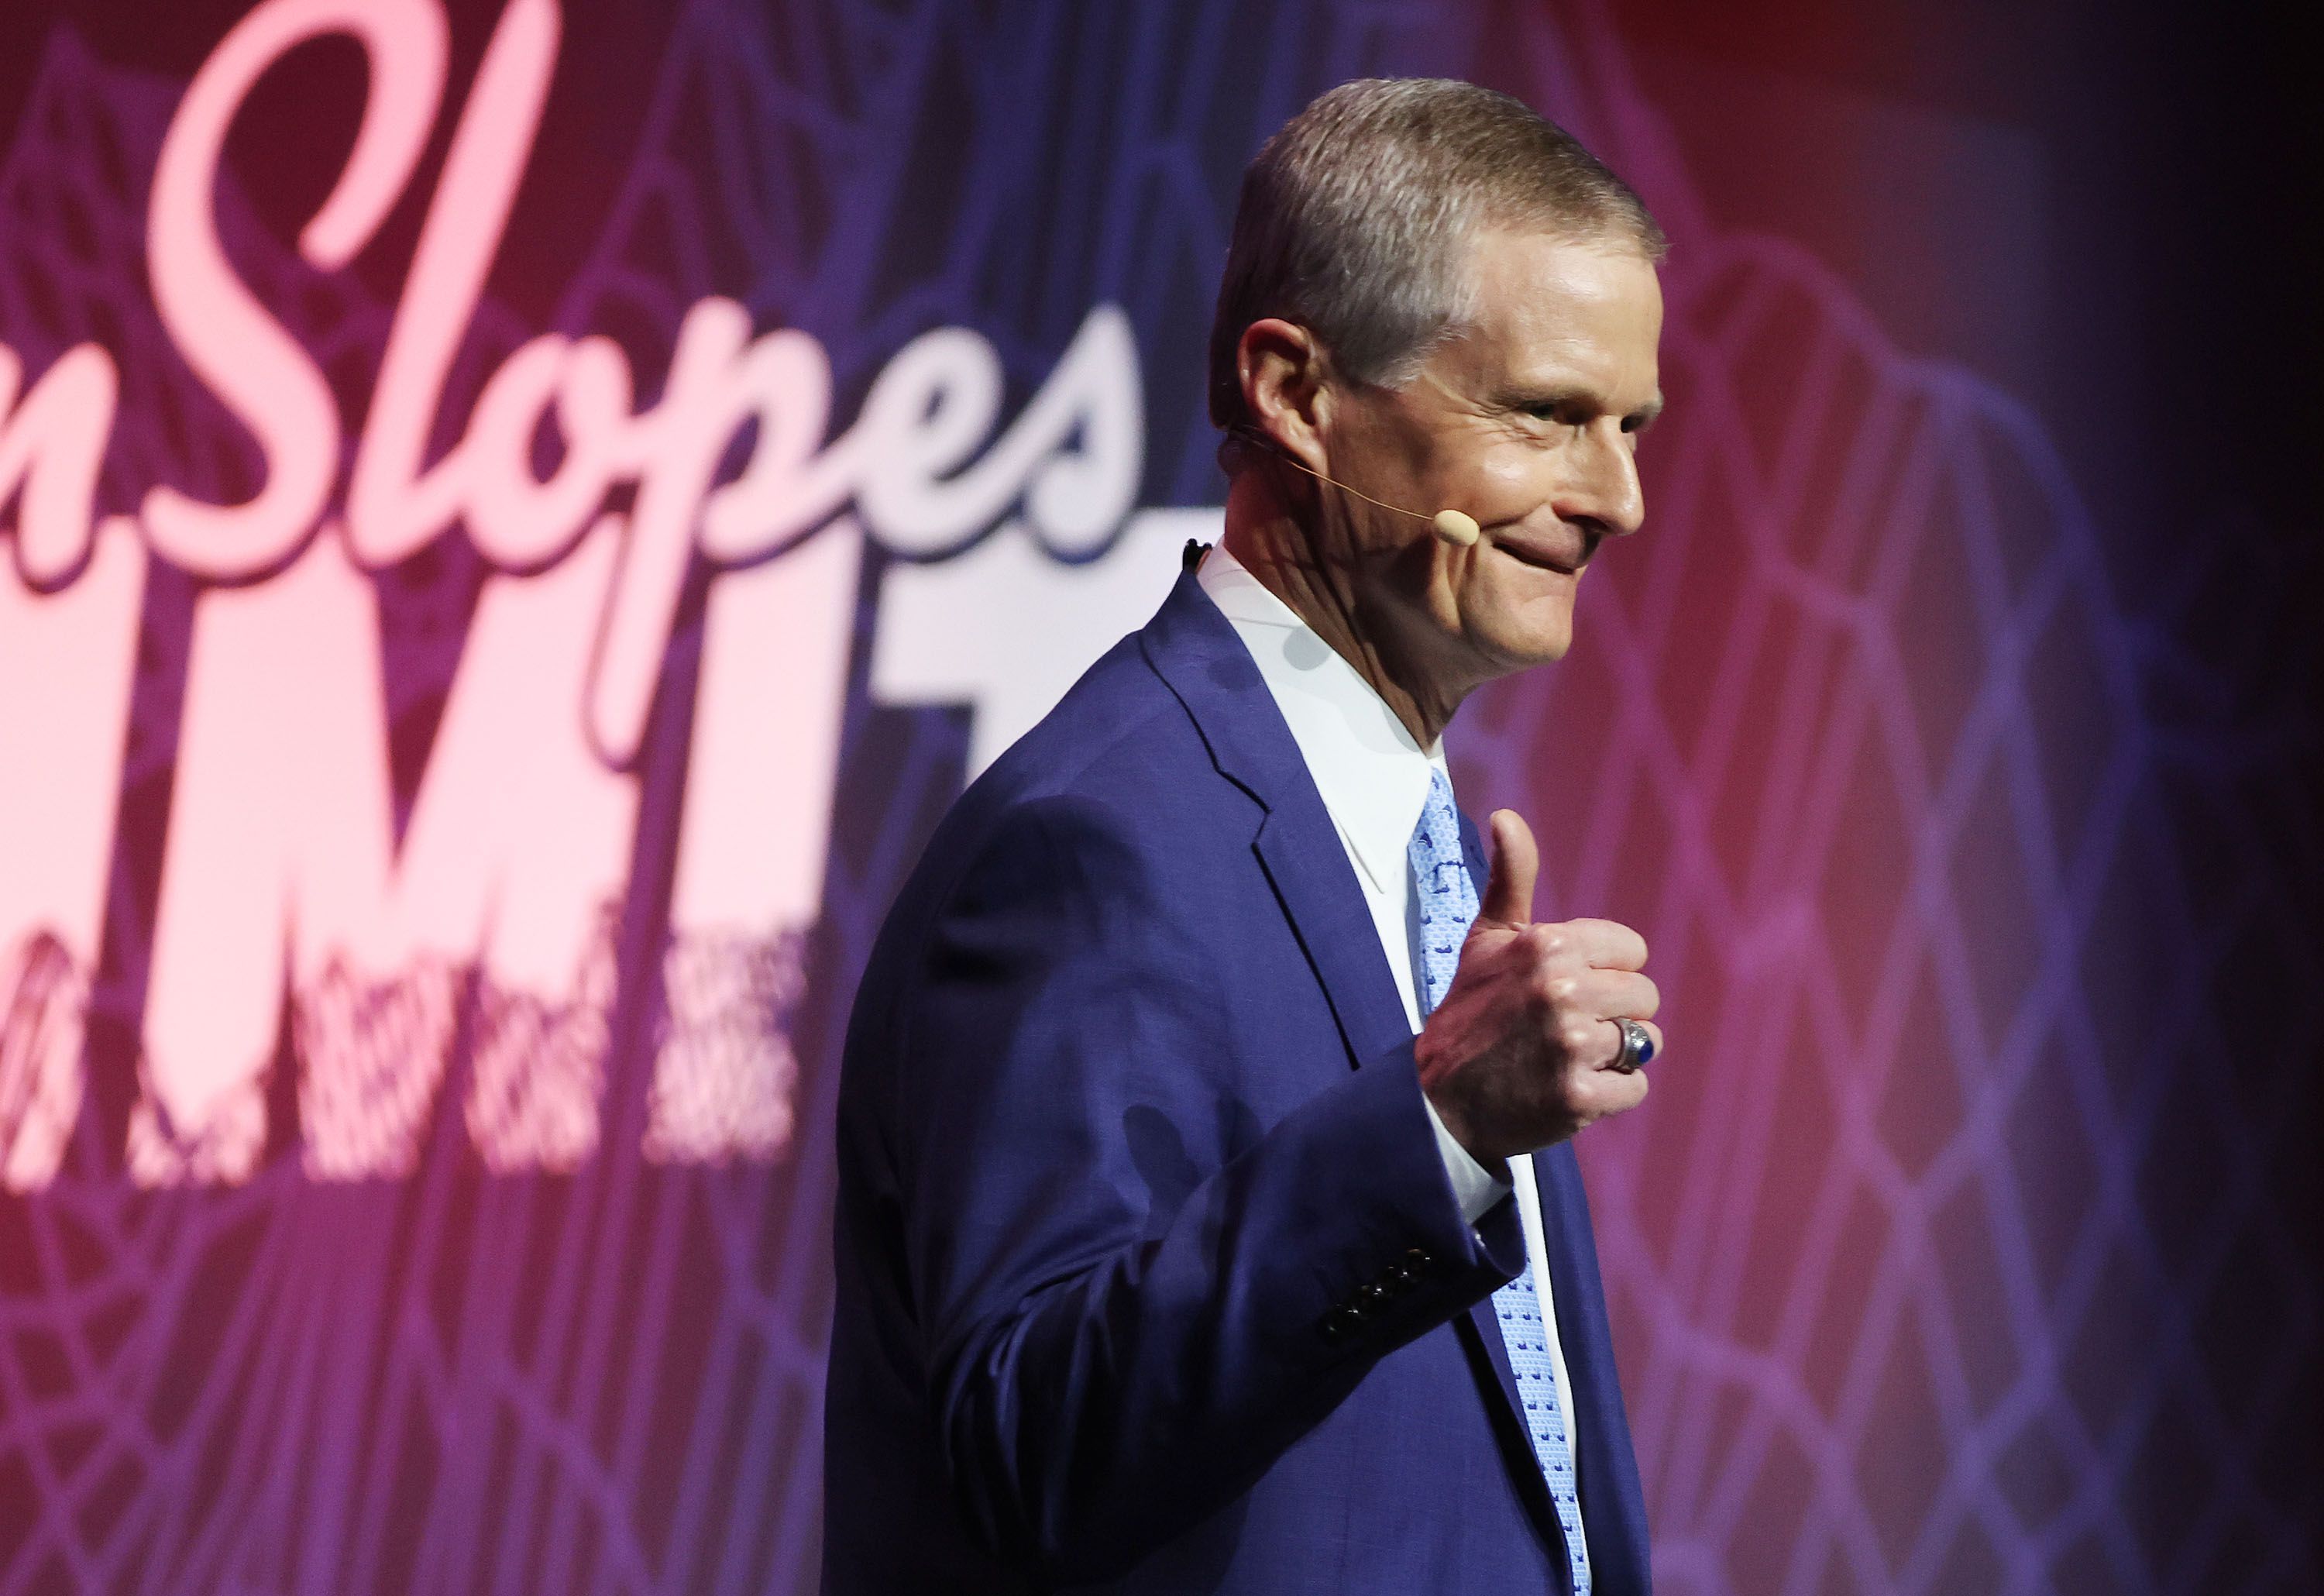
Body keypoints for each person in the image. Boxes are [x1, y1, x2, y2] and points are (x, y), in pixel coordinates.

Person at [823, 77, 1669, 1594]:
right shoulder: (1092, 846)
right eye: (1547, 414)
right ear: (1292, 391)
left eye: (1630, 427)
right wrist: (1439, 1130)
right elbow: (1034, 1443)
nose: (1617, 499)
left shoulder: (1421, 843)